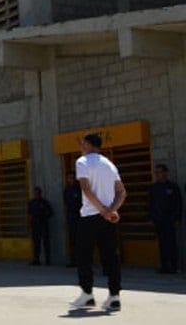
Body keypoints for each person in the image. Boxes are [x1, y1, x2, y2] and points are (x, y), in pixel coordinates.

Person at [70, 133, 126, 311]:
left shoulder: (82, 162)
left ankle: (87, 294)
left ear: (87, 144)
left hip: (90, 215)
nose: (81, 146)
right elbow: (122, 192)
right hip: (108, 218)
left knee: (83, 255)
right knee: (111, 256)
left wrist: (102, 210)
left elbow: (85, 189)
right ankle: (114, 296)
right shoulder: (109, 164)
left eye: (82, 143)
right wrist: (112, 210)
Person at [148, 164, 182, 274]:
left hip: (170, 219)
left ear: (165, 173)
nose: (158, 175)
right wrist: (151, 218)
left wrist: (177, 218)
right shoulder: (154, 188)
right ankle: (164, 266)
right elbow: (150, 204)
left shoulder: (172, 187)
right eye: (156, 173)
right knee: (162, 244)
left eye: (160, 172)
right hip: (159, 219)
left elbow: (178, 203)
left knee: (172, 243)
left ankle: (174, 266)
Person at [28, 186, 54, 266]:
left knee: (46, 243)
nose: (36, 194)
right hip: (35, 225)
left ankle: (48, 260)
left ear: (40, 193)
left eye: (38, 193)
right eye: (35, 193)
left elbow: (51, 213)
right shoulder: (31, 203)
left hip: (43, 224)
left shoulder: (44, 202)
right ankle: (36, 259)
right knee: (36, 243)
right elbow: (29, 213)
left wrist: (44, 216)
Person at [62, 172, 82, 267]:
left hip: (80, 217)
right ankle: (73, 260)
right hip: (71, 217)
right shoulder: (67, 190)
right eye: (69, 178)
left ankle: (82, 260)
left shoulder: (79, 189)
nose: (70, 180)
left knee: (81, 240)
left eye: (72, 178)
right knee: (72, 240)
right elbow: (66, 204)